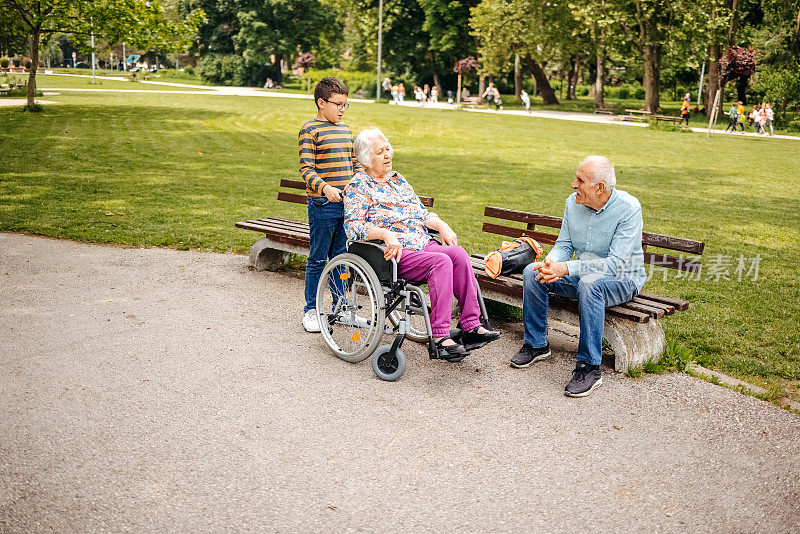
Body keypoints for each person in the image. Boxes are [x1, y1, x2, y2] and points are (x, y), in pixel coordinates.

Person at [343, 128, 501, 360]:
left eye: (388, 149)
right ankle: (439, 336)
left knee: (457, 253)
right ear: (366, 159)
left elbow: (420, 213)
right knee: (441, 262)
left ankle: (470, 325)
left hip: (421, 243)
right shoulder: (359, 185)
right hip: (393, 254)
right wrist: (385, 234)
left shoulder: (398, 179)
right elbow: (352, 226)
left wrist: (440, 224)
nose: (387, 154)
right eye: (380, 152)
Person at [510, 156, 646, 398]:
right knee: (533, 272)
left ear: (600, 188)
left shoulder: (629, 209)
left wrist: (567, 269)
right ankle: (536, 344)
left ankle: (589, 367)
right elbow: (565, 244)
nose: (573, 184)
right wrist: (550, 263)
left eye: (580, 180)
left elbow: (615, 263)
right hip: (583, 274)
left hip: (622, 279)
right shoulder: (573, 203)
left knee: (590, 285)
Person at [298, 77, 362, 333]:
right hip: (322, 204)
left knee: (340, 257)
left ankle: (341, 305)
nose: (342, 109)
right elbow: (306, 169)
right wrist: (325, 188)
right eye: (338, 104)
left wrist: (357, 182)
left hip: (345, 206)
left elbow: (354, 163)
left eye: (346, 105)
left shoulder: (346, 130)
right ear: (321, 103)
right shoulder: (310, 130)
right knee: (317, 258)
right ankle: (312, 310)